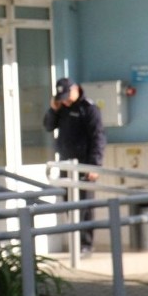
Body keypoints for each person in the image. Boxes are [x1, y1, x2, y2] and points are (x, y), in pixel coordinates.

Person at [42, 77, 107, 254]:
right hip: (66, 165)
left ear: (76, 89)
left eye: (67, 95)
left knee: (85, 207)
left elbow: (98, 138)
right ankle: (75, 243)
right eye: (61, 97)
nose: (66, 100)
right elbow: (48, 126)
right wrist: (53, 111)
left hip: (84, 165)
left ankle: (85, 245)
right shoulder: (61, 108)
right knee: (69, 204)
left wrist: (94, 165)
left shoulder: (88, 108)